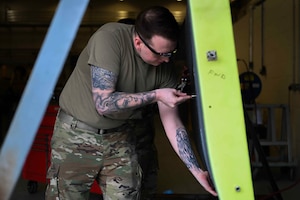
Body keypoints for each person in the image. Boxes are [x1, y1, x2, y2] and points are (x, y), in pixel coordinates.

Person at [45, 6, 217, 200]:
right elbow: (104, 103)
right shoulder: (109, 39)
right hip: (75, 135)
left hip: (120, 135)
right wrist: (156, 95)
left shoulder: (165, 67)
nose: (166, 59)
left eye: (171, 53)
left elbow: (173, 124)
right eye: (160, 53)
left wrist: (196, 171)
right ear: (138, 42)